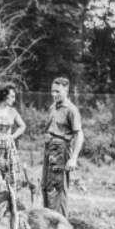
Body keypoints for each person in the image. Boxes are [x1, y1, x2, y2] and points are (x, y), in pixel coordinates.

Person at [42, 77, 84, 217]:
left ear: (66, 90)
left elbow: (79, 135)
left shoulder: (72, 110)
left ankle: (60, 223)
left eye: (58, 92)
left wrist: (73, 158)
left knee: (59, 190)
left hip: (61, 152)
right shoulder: (52, 107)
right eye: (52, 91)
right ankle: (48, 220)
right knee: (46, 187)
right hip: (49, 150)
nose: (54, 95)